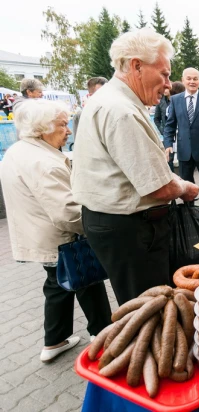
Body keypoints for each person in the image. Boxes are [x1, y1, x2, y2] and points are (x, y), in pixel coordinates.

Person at [71, 29, 199, 305]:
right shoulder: (120, 111)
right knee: (149, 309)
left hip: (119, 225)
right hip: (131, 230)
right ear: (136, 65)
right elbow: (160, 186)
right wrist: (186, 187)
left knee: (143, 304)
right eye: (164, 74)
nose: (168, 84)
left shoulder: (115, 101)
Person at [1, 99, 112, 362]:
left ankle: (55, 341)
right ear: (42, 128)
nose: (69, 130)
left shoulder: (19, 151)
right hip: (61, 238)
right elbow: (68, 213)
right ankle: (104, 333)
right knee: (87, 278)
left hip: (40, 235)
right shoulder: (44, 162)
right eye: (63, 124)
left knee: (59, 284)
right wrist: (99, 227)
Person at [164, 67, 199, 223]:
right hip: (184, 150)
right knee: (186, 183)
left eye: (195, 78)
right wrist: (168, 143)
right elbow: (170, 125)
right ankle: (190, 210)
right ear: (183, 80)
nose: (192, 82)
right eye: (189, 78)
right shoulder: (175, 100)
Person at [155, 81, 185, 172]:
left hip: (180, 133)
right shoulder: (160, 102)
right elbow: (157, 119)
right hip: (168, 134)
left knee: (183, 158)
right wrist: (163, 131)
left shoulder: (181, 100)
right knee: (169, 158)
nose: (164, 89)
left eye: (167, 88)